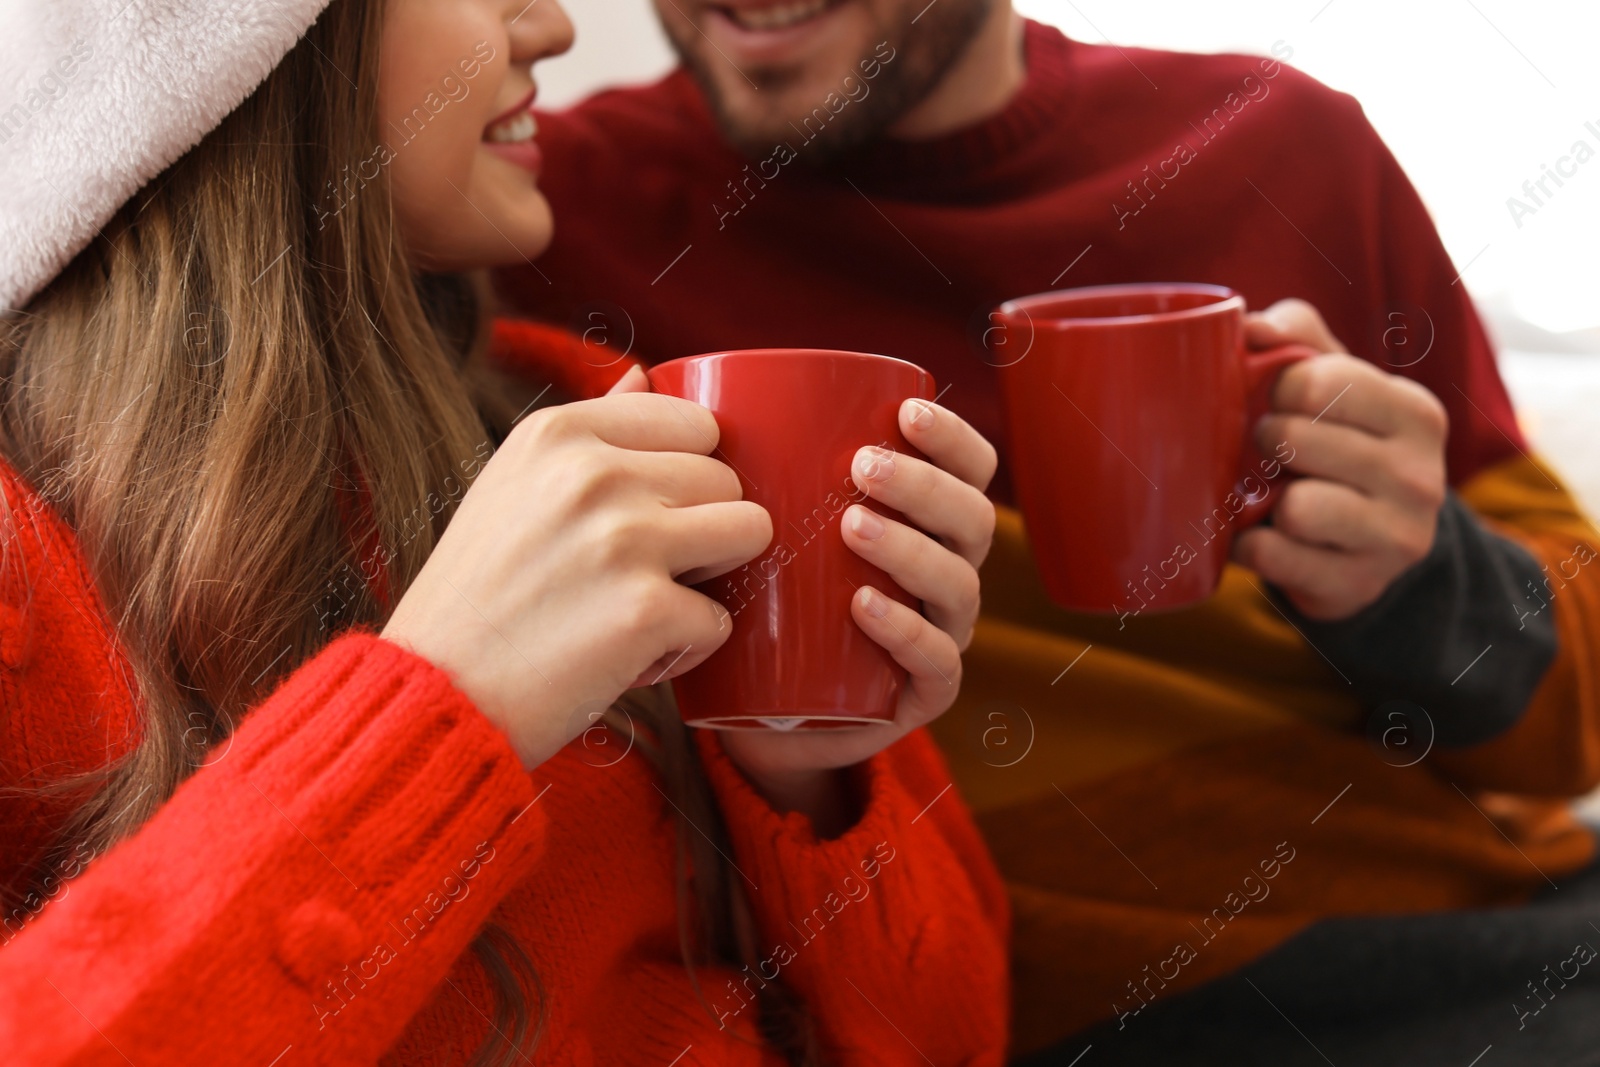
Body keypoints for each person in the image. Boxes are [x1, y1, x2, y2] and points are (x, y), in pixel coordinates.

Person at [498, 1, 1600, 1062]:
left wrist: (1420, 576)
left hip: (1496, 932)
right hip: (1066, 1006)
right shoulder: (530, 211)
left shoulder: (1288, 143)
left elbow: (1576, 727)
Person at [0, 0, 1010, 1063]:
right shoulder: (33, 573)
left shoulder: (583, 413)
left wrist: (794, 764)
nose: (555, 24)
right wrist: (441, 708)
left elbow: (956, 1039)